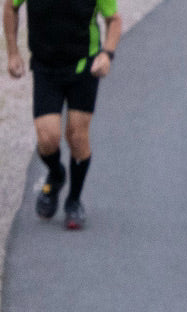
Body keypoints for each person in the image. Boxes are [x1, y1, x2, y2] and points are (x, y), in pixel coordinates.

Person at [3, 0, 122, 229]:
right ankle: (56, 175)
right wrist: (12, 53)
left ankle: (74, 201)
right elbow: (10, 6)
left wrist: (107, 54)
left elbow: (114, 20)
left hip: (83, 67)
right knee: (47, 138)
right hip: (46, 68)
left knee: (77, 137)